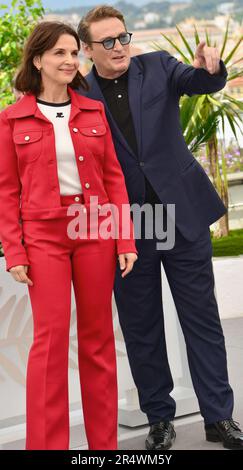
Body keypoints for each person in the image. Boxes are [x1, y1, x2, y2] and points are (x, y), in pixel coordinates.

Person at [78, 5, 243, 450]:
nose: (119, 47)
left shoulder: (158, 66)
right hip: (127, 228)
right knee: (141, 327)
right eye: (107, 42)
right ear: (88, 50)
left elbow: (201, 82)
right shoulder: (82, 95)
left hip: (180, 216)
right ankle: (160, 419)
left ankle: (219, 417)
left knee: (202, 319)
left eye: (123, 37)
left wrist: (213, 69)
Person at [0, 21, 137, 450]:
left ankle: (104, 449)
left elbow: (114, 180)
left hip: (94, 229)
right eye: (59, 53)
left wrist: (125, 239)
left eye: (74, 53)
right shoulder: (11, 118)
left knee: (98, 341)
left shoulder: (92, 110)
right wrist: (14, 251)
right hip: (43, 237)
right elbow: (6, 191)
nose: (69, 60)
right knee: (50, 340)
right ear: (38, 60)